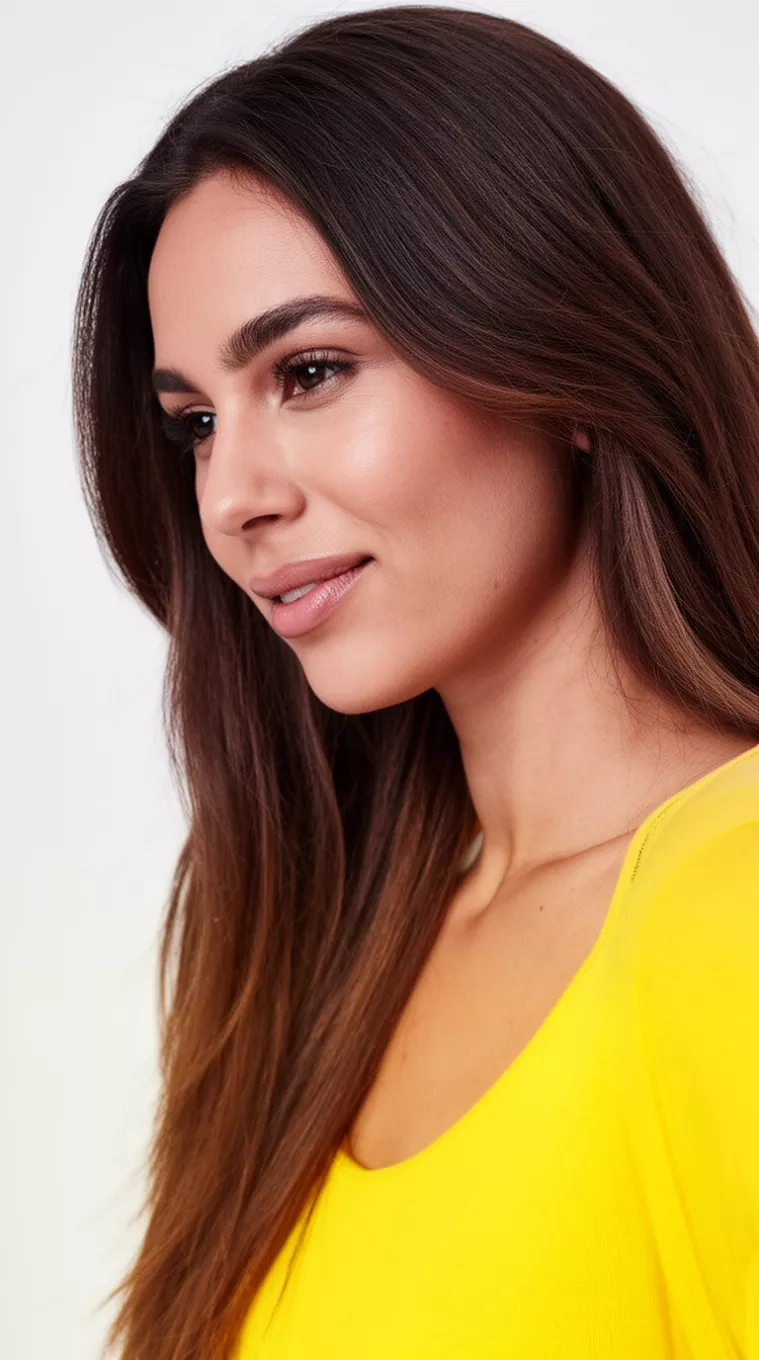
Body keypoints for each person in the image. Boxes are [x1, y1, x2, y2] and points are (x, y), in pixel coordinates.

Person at [71, 6, 759, 1358]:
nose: (230, 497)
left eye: (311, 371)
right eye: (195, 423)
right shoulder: (326, 949)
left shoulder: (727, 910)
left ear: (567, 359)